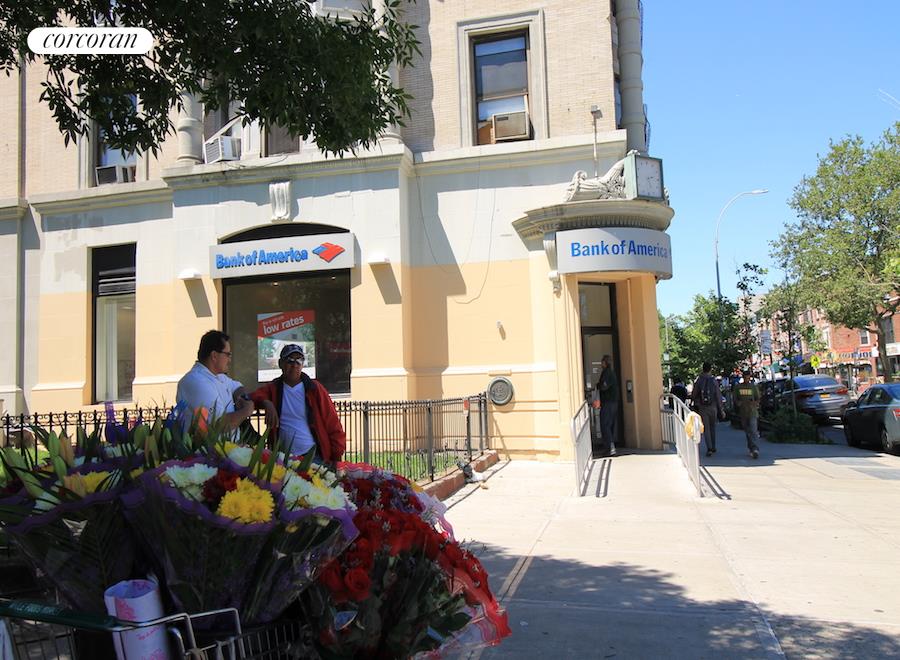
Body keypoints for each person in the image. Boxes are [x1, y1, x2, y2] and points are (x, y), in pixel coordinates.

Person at [250, 344, 346, 465]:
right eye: (290, 360)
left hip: (313, 456)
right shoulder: (273, 388)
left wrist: (336, 455)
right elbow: (251, 397)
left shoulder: (315, 389)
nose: (294, 364)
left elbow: (332, 423)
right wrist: (266, 403)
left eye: (299, 360)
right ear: (280, 363)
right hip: (282, 458)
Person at [176, 330, 254, 430]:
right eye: (227, 355)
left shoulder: (219, 376)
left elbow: (237, 387)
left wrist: (241, 398)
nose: (229, 360)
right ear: (214, 356)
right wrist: (246, 411)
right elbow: (219, 424)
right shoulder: (196, 381)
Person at [691, 362, 724, 457]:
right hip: (713, 407)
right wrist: (721, 409)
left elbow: (694, 394)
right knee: (713, 426)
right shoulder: (713, 381)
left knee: (706, 428)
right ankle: (713, 446)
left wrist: (694, 402)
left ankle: (709, 447)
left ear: (703, 369)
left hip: (703, 407)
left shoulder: (699, 380)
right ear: (710, 369)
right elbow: (718, 395)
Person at [591, 354, 619, 456]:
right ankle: (610, 447)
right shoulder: (611, 373)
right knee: (609, 425)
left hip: (608, 403)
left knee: (605, 425)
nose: (601, 364)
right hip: (613, 403)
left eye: (602, 361)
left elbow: (604, 386)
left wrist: (598, 385)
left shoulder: (607, 373)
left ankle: (610, 448)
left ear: (605, 362)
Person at [733, 371, 761, 459]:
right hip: (743, 413)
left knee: (753, 430)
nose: (747, 380)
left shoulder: (753, 387)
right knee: (748, 432)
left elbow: (758, 398)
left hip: (752, 412)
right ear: (743, 378)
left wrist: (755, 403)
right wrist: (738, 403)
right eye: (745, 378)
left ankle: (755, 449)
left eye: (748, 378)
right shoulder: (738, 387)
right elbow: (735, 398)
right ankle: (751, 448)